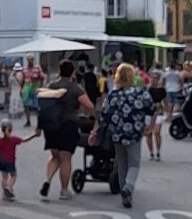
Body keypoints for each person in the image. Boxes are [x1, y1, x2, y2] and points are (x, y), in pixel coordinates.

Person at [91, 63, 154, 208]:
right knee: (134, 163)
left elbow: (103, 115)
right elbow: (151, 109)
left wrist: (94, 132)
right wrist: (147, 125)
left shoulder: (113, 94)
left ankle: (124, 194)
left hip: (117, 134)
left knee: (122, 164)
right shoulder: (141, 92)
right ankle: (128, 187)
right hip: (134, 133)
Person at [39, 58, 94, 201]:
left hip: (51, 126)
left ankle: (47, 180)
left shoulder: (51, 86)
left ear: (59, 71)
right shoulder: (75, 88)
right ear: (73, 72)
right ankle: (64, 190)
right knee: (65, 158)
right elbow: (89, 105)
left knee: (54, 156)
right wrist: (89, 116)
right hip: (68, 125)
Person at [0, 118, 38, 200]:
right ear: (11, 130)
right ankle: (9, 186)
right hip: (10, 160)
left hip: (1, 160)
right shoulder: (13, 139)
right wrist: (34, 135)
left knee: (4, 177)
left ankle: (4, 193)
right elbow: (24, 140)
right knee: (13, 175)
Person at [146, 71, 166, 161]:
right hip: (149, 112)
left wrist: (168, 113)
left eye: (155, 78)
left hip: (159, 110)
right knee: (149, 133)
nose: (153, 80)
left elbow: (165, 100)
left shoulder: (162, 90)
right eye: (152, 78)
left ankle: (158, 151)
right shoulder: (148, 89)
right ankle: (151, 152)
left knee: (157, 131)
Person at [22, 54, 43, 127]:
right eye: (28, 60)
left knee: (37, 106)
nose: (30, 61)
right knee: (26, 105)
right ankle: (28, 120)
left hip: (35, 87)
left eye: (31, 59)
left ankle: (39, 121)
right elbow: (23, 80)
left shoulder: (37, 68)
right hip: (27, 87)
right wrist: (21, 89)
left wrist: (40, 86)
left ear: (33, 60)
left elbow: (42, 77)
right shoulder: (24, 69)